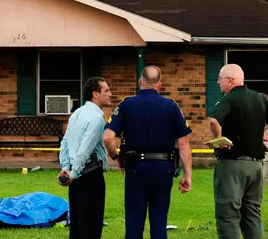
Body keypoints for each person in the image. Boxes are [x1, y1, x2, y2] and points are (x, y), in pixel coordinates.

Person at [103, 65, 192, 239]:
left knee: (134, 221)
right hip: (163, 169)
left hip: (136, 167)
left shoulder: (126, 104)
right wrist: (187, 174)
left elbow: (107, 137)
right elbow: (183, 145)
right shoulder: (171, 106)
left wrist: (115, 156)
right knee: (159, 221)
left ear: (139, 82)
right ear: (159, 85)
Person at [209, 64, 268, 239]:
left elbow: (213, 121)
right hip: (256, 166)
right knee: (252, 215)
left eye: (220, 78)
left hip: (232, 165)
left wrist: (219, 138)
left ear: (230, 80)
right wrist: (265, 136)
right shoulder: (261, 98)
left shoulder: (229, 99)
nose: (218, 82)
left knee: (228, 214)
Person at [57, 77, 112, 239]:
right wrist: (73, 174)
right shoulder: (96, 119)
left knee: (77, 225)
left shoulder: (77, 113)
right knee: (91, 227)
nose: (110, 94)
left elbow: (65, 143)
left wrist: (66, 168)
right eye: (106, 90)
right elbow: (84, 150)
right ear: (95, 94)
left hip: (75, 174)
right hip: (89, 176)